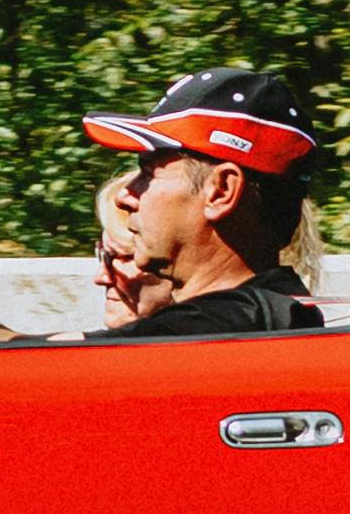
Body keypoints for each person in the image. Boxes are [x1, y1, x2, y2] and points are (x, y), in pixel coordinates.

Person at [80, 65, 328, 337]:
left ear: (221, 191)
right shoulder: (275, 314)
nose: (124, 196)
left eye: (149, 173)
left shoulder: (219, 329)